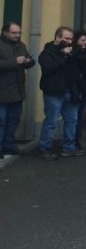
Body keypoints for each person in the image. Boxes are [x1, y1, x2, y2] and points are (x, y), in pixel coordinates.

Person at [37, 26, 82, 159]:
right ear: (57, 37)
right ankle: (45, 148)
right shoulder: (47, 53)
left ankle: (69, 147)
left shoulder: (71, 52)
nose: (69, 41)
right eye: (66, 38)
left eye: (71, 39)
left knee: (72, 120)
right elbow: (48, 68)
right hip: (54, 92)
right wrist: (64, 55)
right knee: (51, 122)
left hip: (70, 91)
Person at [0, 22, 35, 158]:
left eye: (19, 32)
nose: (17, 35)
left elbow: (30, 60)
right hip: (2, 89)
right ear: (5, 32)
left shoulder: (21, 45)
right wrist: (15, 62)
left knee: (13, 119)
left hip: (17, 89)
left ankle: (9, 145)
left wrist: (28, 61)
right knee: (1, 120)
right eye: (14, 33)